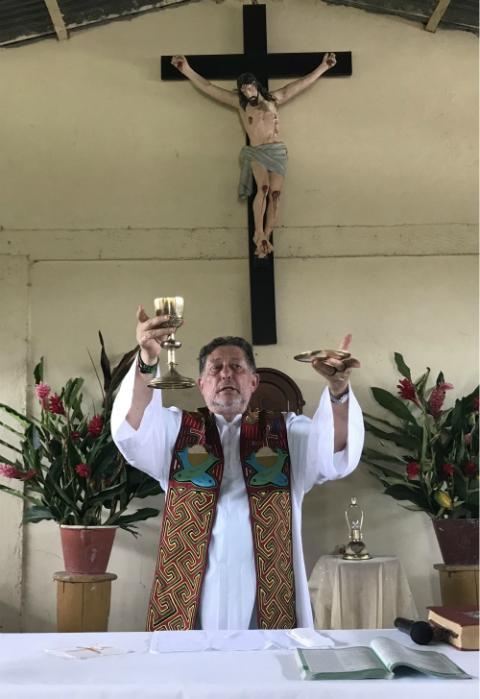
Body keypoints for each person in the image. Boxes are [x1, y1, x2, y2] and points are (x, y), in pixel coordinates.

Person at [111, 305, 364, 631]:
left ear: (254, 381)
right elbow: (133, 430)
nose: (226, 374)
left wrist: (339, 392)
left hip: (267, 594)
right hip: (193, 594)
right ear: (201, 384)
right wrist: (147, 361)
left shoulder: (286, 433)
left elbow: (334, 450)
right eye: (216, 368)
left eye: (236, 367)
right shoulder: (175, 432)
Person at [171, 53, 337, 258]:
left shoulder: (274, 99)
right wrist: (186, 69)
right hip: (257, 152)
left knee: (276, 195)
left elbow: (300, 84)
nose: (246, 91)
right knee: (264, 187)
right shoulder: (241, 105)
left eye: (248, 86)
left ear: (256, 85)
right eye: (242, 88)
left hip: (277, 151)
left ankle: (266, 237)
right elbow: (209, 88)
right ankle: (258, 232)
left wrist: (323, 67)